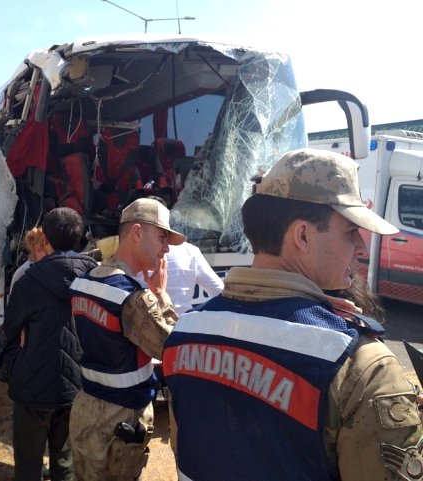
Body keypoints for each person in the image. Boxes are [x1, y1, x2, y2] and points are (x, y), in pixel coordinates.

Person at [163, 148, 423, 480]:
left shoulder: (185, 332)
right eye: (350, 232)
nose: (362, 247)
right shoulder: (359, 365)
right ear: (302, 236)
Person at [68, 197, 183, 481]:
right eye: (161, 237)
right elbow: (173, 349)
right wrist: (160, 295)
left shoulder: (85, 281)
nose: (166, 248)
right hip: (118, 425)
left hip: (84, 411)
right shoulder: (133, 296)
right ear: (136, 233)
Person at [4, 207, 98, 481]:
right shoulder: (94, 276)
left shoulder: (28, 279)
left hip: (31, 385)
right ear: (79, 238)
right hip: (76, 385)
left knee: (28, 465)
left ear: (45, 238)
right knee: (65, 463)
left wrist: (14, 366)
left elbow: (9, 332)